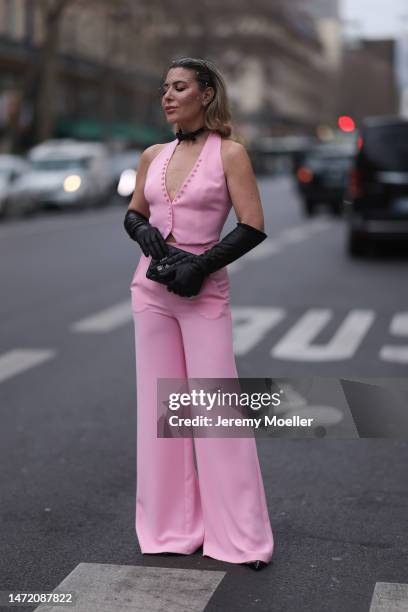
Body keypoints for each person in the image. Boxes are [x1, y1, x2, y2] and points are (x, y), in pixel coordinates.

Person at [124, 57, 274, 570]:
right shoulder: (152, 154)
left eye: (179, 87)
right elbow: (135, 213)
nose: (167, 96)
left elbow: (252, 224)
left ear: (205, 94)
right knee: (161, 415)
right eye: (164, 87)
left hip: (204, 295)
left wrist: (201, 266)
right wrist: (142, 234)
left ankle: (241, 537)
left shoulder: (231, 154)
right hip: (150, 294)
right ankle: (170, 529)